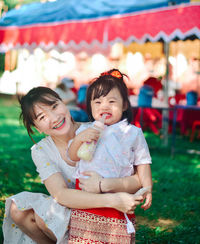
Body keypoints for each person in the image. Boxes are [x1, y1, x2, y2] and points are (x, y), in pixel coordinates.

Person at [2, 86, 143, 244]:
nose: (54, 118)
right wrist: (113, 200)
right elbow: (60, 194)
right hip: (76, 204)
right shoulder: (41, 150)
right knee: (20, 209)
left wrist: (106, 188)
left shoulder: (97, 130)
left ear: (64, 103)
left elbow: (138, 180)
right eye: (42, 117)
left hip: (104, 212)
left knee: (45, 219)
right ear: (37, 128)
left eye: (55, 106)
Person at [67, 69, 152, 243]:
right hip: (86, 192)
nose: (104, 106)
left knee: (116, 236)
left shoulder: (132, 133)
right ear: (90, 107)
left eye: (112, 101)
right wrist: (79, 140)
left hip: (118, 192)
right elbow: (73, 156)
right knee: (85, 238)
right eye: (97, 102)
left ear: (125, 105)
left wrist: (148, 187)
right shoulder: (85, 129)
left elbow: (143, 162)